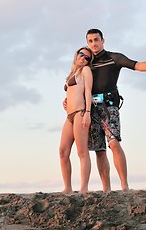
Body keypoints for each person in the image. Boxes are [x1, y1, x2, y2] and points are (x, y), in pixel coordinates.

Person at [85, 28, 146, 193]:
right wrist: (69, 101)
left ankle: (124, 186)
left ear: (103, 40)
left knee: (113, 143)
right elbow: (74, 83)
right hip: (91, 109)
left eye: (96, 40)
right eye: (90, 41)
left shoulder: (114, 58)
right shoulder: (86, 63)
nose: (94, 44)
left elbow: (137, 65)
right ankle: (106, 189)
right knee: (99, 150)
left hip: (109, 107)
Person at [59, 47, 93, 194]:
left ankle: (83, 188)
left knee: (82, 152)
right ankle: (67, 187)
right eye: (82, 55)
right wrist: (65, 102)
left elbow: (88, 92)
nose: (83, 59)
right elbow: (71, 92)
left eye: (87, 58)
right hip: (69, 115)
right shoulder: (72, 73)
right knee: (62, 152)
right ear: (76, 55)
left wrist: (87, 113)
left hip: (80, 113)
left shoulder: (86, 71)